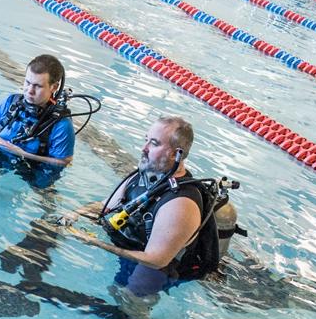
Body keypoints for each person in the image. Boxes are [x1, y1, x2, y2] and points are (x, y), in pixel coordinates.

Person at [59, 115, 207, 300]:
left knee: (129, 309)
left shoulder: (180, 203)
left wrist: (96, 243)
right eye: (146, 140)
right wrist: (74, 214)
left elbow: (156, 260)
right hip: (131, 249)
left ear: (175, 154)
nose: (143, 149)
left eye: (154, 143)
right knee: (113, 295)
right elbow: (106, 207)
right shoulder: (144, 175)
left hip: (155, 269)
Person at [0, 54, 74, 188]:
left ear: (54, 87)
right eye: (27, 82)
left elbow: (63, 161)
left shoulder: (61, 125)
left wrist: (24, 154)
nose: (29, 91)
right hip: (0, 156)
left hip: (35, 169)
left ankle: (48, 196)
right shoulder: (11, 102)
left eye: (38, 86)